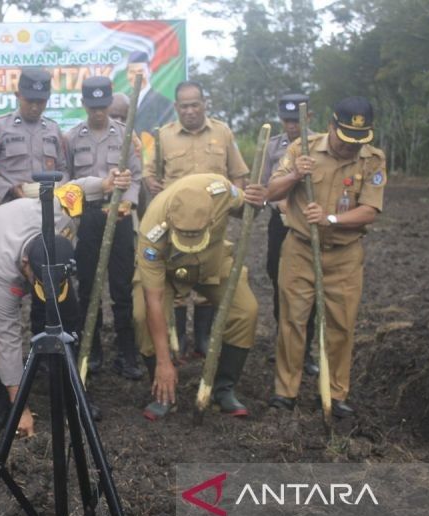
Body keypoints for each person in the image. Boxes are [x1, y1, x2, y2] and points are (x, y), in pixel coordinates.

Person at [0, 171, 131, 436]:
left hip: (29, 234)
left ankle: (71, 391)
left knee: (69, 317)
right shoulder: (1, 265)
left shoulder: (59, 212)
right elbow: (7, 337)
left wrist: (106, 184)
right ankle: (1, 401)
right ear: (27, 267)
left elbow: (78, 187)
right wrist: (22, 410)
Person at [267, 96, 386, 418]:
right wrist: (294, 176)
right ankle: (286, 392)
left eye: (358, 141)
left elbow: (370, 210)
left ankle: (334, 393)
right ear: (332, 126)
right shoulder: (302, 149)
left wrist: (330, 219)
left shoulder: (372, 159)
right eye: (346, 138)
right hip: (301, 250)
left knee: (341, 326)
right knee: (292, 321)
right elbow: (270, 192)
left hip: (345, 256)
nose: (351, 147)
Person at [135, 174, 265, 418]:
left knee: (246, 311)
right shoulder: (151, 229)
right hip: (168, 270)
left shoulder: (222, 191)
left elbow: (248, 210)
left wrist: (258, 203)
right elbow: (153, 299)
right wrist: (164, 362)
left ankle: (223, 390)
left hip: (213, 262)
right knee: (142, 315)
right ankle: (163, 391)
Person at [143, 81, 250, 361]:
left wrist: (235, 200)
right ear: (176, 108)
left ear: (204, 103)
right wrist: (154, 186)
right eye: (184, 106)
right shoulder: (163, 136)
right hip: (176, 229)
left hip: (212, 228)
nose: (190, 111)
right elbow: (149, 174)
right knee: (175, 287)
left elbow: (238, 174)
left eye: (195, 104)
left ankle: (203, 340)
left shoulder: (222, 133)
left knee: (209, 284)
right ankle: (176, 341)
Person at [65, 76, 142, 379]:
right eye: (92, 106)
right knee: (87, 287)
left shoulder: (126, 136)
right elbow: (67, 184)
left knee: (122, 288)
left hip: (119, 217)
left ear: (110, 104)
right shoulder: (71, 138)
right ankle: (92, 349)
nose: (98, 112)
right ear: (84, 104)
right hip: (87, 220)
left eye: (102, 106)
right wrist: (76, 216)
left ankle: (127, 353)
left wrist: (128, 203)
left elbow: (135, 177)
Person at [263, 94, 318, 376]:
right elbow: (264, 186)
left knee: (310, 288)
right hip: (280, 224)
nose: (291, 126)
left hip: (309, 225)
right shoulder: (273, 147)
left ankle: (305, 350)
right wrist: (278, 202)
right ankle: (283, 345)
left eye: (296, 120)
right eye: (286, 120)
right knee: (279, 284)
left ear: (308, 118)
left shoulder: (320, 146)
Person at [0, 67, 69, 203]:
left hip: (49, 206)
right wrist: (8, 189)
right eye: (29, 101)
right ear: (18, 95)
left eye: (40, 102)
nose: (35, 107)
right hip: (12, 206)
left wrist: (59, 188)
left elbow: (63, 170)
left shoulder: (53, 129)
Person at [125, 51, 176, 136]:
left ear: (149, 71)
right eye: (132, 72)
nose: (136, 76)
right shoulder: (124, 102)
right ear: (127, 75)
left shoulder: (164, 104)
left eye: (140, 71)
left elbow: (169, 136)